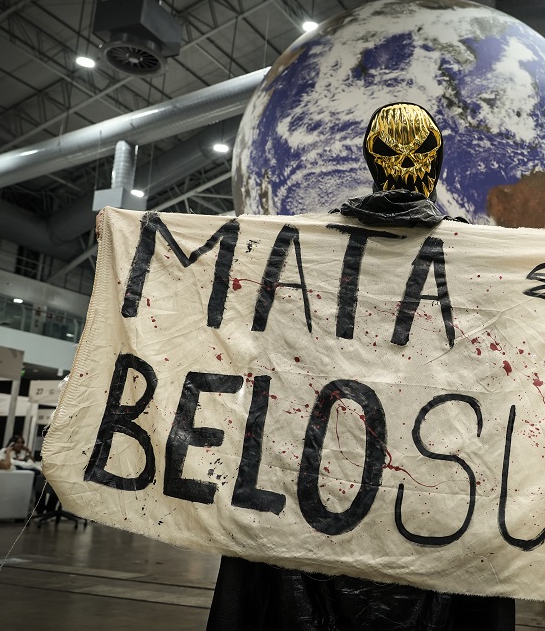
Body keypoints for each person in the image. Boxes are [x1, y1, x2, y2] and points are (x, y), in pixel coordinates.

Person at [206, 103, 513, 631]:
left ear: (369, 158)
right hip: (429, 499)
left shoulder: (309, 252)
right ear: (437, 162)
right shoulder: (477, 261)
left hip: (311, 496)